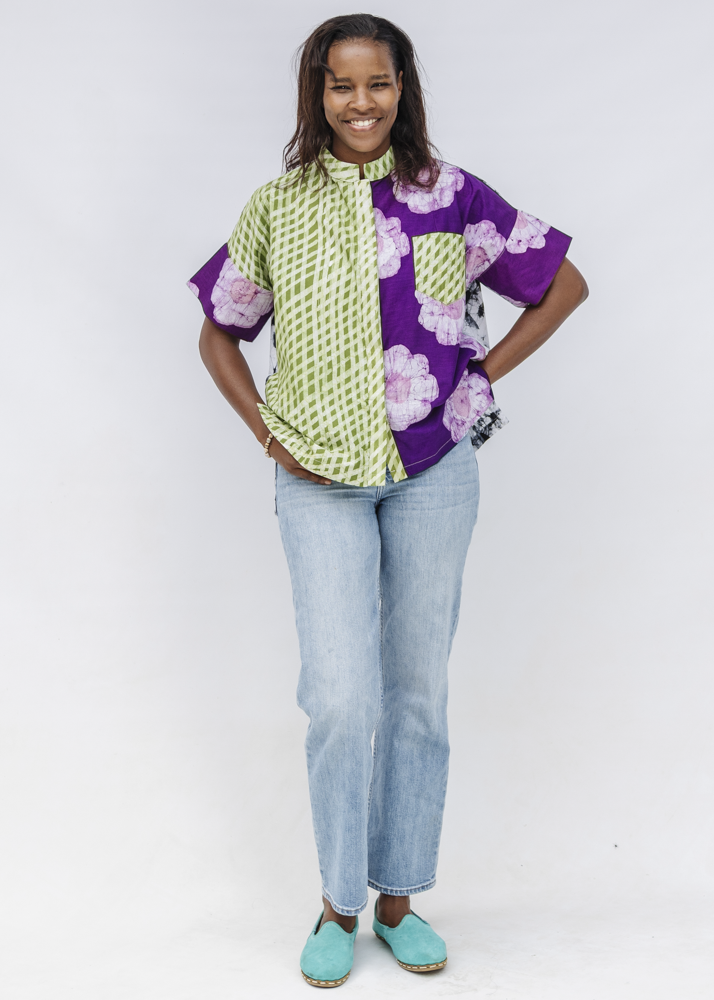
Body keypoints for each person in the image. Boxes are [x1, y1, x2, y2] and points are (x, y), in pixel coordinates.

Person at [189, 13, 588, 989]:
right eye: (339, 85)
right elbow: (218, 332)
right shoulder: (276, 207)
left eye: (377, 83)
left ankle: (402, 895)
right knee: (338, 695)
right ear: (315, 96)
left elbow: (563, 284)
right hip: (317, 478)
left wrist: (476, 381)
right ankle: (337, 902)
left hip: (433, 473)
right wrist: (266, 433)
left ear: (403, 87)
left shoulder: (452, 196)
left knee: (417, 692)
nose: (358, 103)